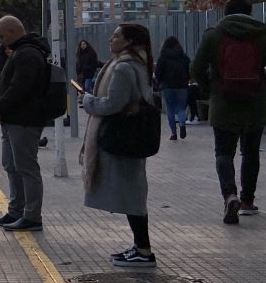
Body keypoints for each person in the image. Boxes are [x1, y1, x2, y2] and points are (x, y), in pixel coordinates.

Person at [190, 0, 266, 224]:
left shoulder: (214, 36)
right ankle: (248, 201)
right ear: (251, 12)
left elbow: (196, 68)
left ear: (225, 12)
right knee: (250, 153)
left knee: (224, 153)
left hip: (223, 103)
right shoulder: (264, 36)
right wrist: (261, 86)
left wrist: (211, 87)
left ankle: (229, 196)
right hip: (255, 104)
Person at [81, 24, 160, 268]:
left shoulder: (124, 67)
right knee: (132, 191)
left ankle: (144, 250)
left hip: (123, 137)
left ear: (129, 41)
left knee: (132, 193)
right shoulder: (138, 63)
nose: (110, 39)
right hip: (132, 135)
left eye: (116, 36)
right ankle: (139, 246)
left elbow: (113, 104)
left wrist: (88, 101)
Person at [0, 15, 52, 232]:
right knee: (11, 166)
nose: (0, 40)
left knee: (26, 168)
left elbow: (20, 88)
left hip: (24, 120)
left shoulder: (28, 54)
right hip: (13, 119)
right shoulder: (19, 52)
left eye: (1, 35)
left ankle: (32, 216)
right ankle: (16, 211)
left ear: (14, 31)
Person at [154, 36, 192, 141]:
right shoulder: (183, 56)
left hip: (167, 86)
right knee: (181, 108)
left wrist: (159, 82)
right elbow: (190, 68)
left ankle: (174, 133)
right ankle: (182, 124)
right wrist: (187, 79)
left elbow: (157, 72)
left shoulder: (163, 57)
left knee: (170, 109)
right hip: (182, 86)